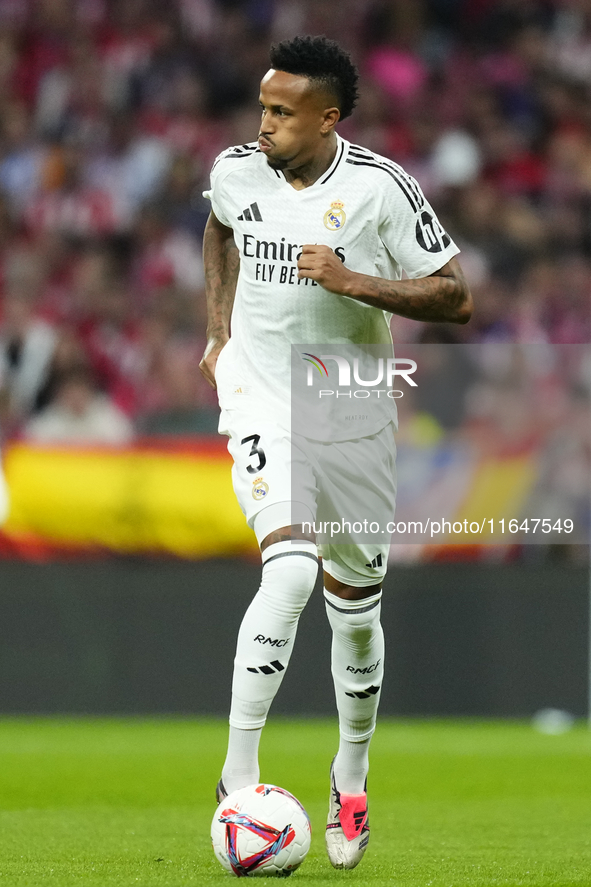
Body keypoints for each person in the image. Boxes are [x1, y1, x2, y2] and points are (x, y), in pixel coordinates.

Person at [199, 35, 472, 870]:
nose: (264, 125)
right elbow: (218, 230)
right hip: (260, 391)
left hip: (348, 400)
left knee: (355, 611)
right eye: (261, 108)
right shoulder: (235, 170)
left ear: (327, 117)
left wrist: (354, 281)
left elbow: (455, 295)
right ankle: (236, 776)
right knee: (287, 570)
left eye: (281, 113)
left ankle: (349, 771)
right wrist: (217, 331)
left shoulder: (379, 189)